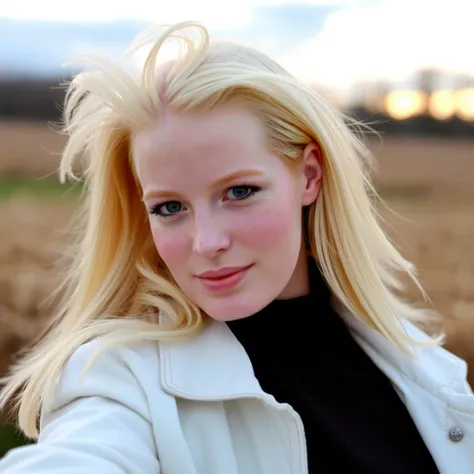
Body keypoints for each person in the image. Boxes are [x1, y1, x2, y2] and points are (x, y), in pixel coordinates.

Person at [0, 20, 472, 474]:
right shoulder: (123, 384)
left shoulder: (418, 363)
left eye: (239, 192)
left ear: (309, 175)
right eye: (168, 207)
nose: (206, 243)